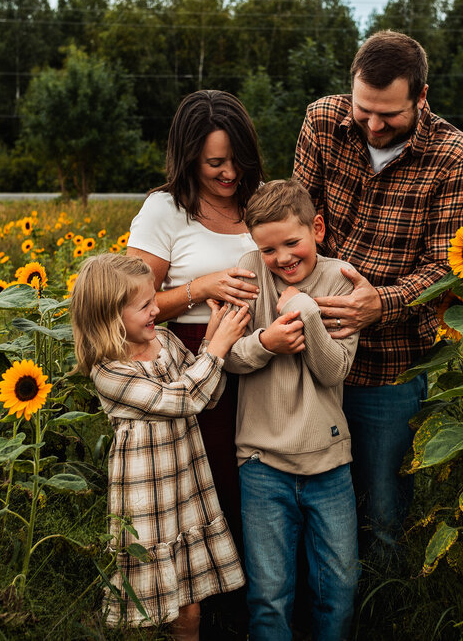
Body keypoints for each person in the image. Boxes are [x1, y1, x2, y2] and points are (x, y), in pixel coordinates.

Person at [292, 30, 463, 572]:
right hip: (310, 350)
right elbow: (295, 223)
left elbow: (448, 268)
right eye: (364, 110)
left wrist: (384, 304)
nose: (373, 125)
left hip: (390, 363)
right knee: (306, 498)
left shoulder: (454, 156)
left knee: (383, 509)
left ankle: (387, 609)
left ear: (422, 97)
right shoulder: (324, 121)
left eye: (390, 115)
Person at [126, 89, 264, 636]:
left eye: (237, 160)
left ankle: (265, 613)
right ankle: (215, 620)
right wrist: (199, 288)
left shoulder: (261, 202)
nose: (229, 172)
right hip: (197, 367)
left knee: (262, 494)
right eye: (214, 163)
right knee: (214, 495)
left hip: (266, 365)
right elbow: (129, 304)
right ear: (188, 159)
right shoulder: (165, 209)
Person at [72, 253, 252, 639]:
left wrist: (211, 341)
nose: (157, 309)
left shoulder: (166, 342)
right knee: (149, 609)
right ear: (109, 316)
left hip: (185, 487)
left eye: (154, 298)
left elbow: (211, 394)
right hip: (146, 499)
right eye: (144, 306)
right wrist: (215, 350)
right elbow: (182, 401)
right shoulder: (109, 371)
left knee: (189, 605)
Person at [223, 179, 360, 641]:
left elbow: (334, 370)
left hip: (328, 462)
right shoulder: (246, 274)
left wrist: (309, 314)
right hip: (261, 462)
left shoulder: (342, 279)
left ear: (316, 228)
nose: (281, 258)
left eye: (291, 242)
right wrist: (266, 342)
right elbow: (222, 355)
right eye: (267, 249)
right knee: (269, 595)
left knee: (339, 586)